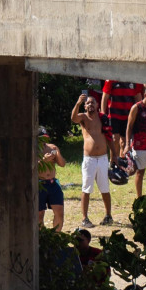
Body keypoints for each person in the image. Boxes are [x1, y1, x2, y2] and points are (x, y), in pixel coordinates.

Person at [69, 88, 112, 226]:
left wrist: (115, 155)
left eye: (93, 102)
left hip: (103, 158)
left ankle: (108, 216)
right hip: (89, 159)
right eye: (88, 103)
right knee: (86, 188)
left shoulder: (102, 118)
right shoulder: (83, 117)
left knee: (105, 189)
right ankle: (84, 218)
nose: (90, 105)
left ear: (97, 105)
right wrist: (78, 103)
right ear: (85, 105)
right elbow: (73, 118)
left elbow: (109, 137)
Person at [37, 131, 67, 229]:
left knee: (59, 212)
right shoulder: (34, 150)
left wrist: (57, 153)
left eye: (46, 138)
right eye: (42, 138)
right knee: (39, 214)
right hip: (39, 184)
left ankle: (56, 237)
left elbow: (62, 164)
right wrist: (43, 161)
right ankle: (42, 238)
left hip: (52, 183)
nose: (44, 141)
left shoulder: (51, 147)